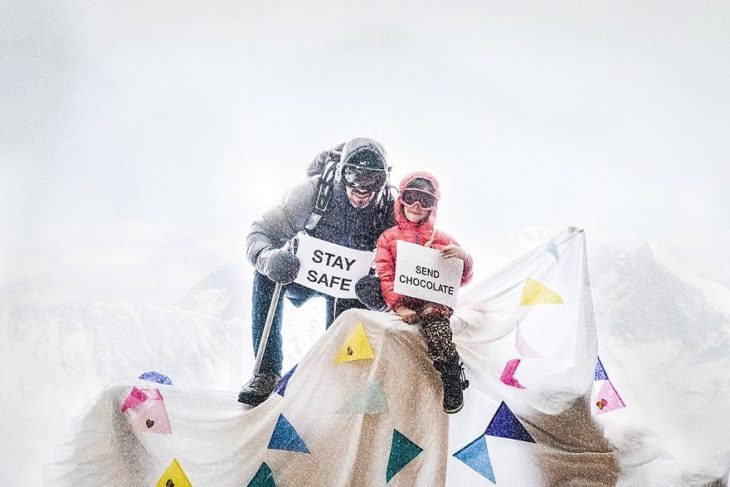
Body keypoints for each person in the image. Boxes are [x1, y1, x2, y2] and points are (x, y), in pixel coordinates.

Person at [238, 137, 396, 407]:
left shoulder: (387, 210)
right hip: (301, 272)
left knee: (351, 313)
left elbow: (399, 264)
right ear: (340, 171)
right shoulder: (314, 193)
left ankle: (339, 381)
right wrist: (268, 259)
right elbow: (261, 231)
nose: (361, 187)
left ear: (385, 179)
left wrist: (381, 291)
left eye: (373, 180)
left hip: (349, 287)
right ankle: (266, 372)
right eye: (353, 174)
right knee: (265, 277)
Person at [374, 171, 473, 414]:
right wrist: (398, 306)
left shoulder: (443, 239)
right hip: (406, 300)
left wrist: (465, 258)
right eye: (412, 198)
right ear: (401, 200)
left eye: (425, 200)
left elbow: (461, 277)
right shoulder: (389, 238)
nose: (417, 206)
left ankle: (450, 371)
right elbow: (385, 274)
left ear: (433, 206)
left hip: (434, 301)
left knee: (434, 320)